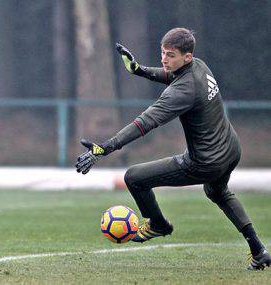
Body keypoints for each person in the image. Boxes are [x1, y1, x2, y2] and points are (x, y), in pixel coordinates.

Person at [75, 28, 270, 270]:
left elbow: (144, 122)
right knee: (218, 193)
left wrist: (106, 147)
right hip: (231, 148)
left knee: (134, 178)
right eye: (162, 53)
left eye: (170, 55)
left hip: (205, 162)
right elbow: (169, 75)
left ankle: (158, 224)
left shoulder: (183, 90)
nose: (164, 59)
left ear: (186, 57)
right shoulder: (199, 65)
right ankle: (259, 250)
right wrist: (139, 70)